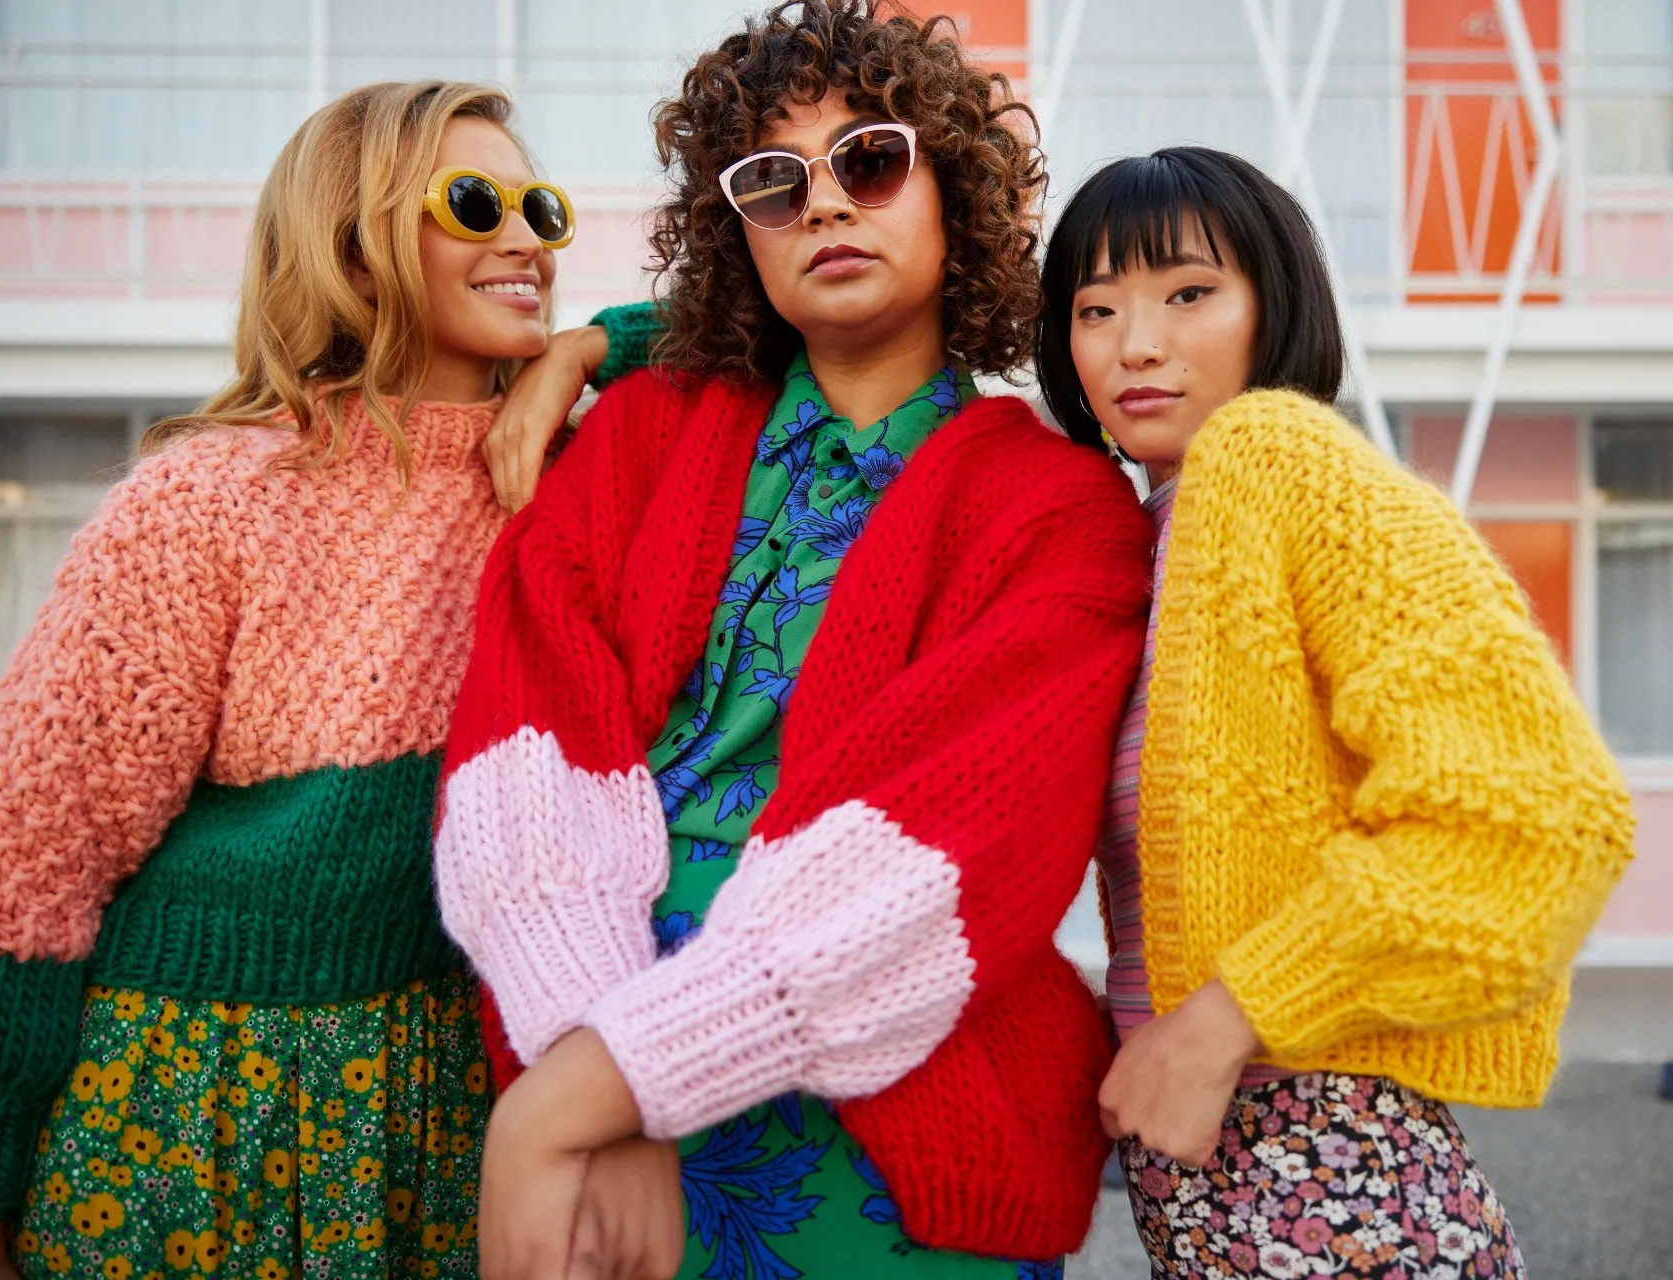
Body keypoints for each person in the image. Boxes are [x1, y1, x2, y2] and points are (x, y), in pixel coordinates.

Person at [431, 3, 1149, 1277]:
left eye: (869, 160)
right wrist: (589, 1071)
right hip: (587, 1080)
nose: (824, 204)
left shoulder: (1061, 510)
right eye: (773, 182)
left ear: (954, 195)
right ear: (736, 235)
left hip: (892, 1147)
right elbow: (517, 762)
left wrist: (593, 1091)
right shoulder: (638, 438)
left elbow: (954, 856)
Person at [0, 80, 582, 1279]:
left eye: (540, 206)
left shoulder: (579, 480)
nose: (527, 240)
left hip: (453, 1111)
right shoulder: (208, 501)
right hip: (192, 1108)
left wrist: (598, 345)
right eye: (475, 203)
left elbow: (768, 340)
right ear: (357, 253)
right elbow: (26, 857)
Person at [1033, 147, 1638, 1279]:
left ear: (1276, 303)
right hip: (1212, 1181)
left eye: (1189, 293)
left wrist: (1221, 1021)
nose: (1136, 343)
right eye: (1095, 307)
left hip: (1332, 1167)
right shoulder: (1147, 536)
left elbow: (1537, 819)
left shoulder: (1287, 463)